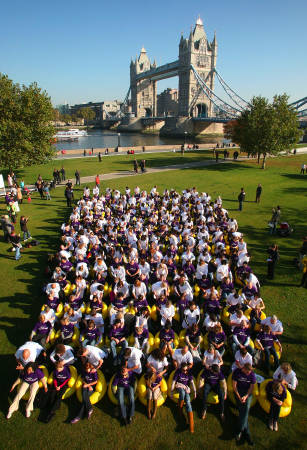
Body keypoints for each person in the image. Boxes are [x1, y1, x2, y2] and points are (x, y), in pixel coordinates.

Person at [232, 363, 256, 445]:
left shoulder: (252, 375)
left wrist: (246, 396)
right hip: (238, 391)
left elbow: (251, 387)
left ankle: (239, 430)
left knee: (245, 409)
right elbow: (234, 386)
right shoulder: (237, 372)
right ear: (243, 369)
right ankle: (247, 434)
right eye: (247, 372)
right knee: (243, 410)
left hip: (247, 393)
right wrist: (239, 397)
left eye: (249, 372)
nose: (248, 374)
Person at [170, 363, 196, 433]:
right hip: (179, 386)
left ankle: (191, 426)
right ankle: (180, 410)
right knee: (182, 393)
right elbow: (173, 382)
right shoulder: (178, 372)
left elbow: (192, 382)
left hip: (186, 388)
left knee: (188, 401)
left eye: (186, 370)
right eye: (183, 370)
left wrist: (195, 391)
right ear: (181, 369)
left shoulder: (189, 373)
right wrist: (171, 392)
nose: (185, 371)